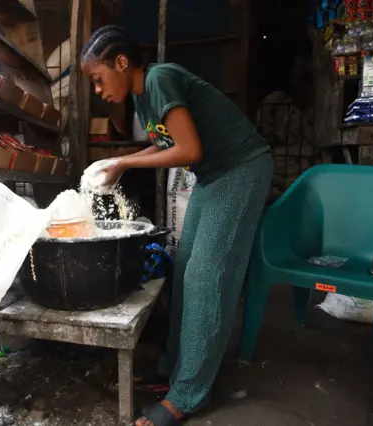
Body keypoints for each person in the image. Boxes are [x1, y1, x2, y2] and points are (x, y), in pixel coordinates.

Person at [80, 26, 273, 426]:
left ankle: (189, 394)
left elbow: (189, 149)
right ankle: (174, 367)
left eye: (98, 80)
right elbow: (169, 144)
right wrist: (123, 163)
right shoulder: (141, 96)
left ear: (121, 63)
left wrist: (123, 162)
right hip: (212, 175)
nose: (98, 91)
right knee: (184, 268)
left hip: (241, 169)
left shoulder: (159, 79)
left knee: (207, 278)